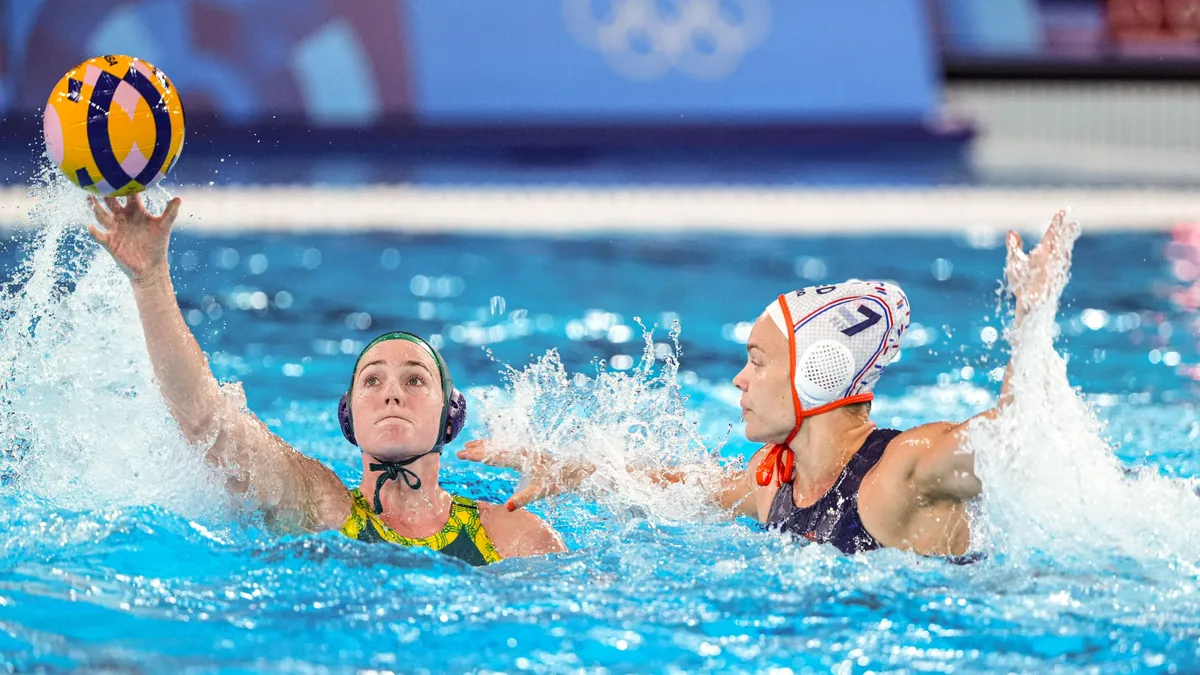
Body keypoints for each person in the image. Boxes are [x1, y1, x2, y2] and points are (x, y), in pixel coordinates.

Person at [459, 212, 1080, 558]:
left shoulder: (904, 470)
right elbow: (684, 488)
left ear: (819, 374)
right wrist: (573, 471)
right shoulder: (775, 480)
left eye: (757, 361)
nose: (739, 379)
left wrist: (1032, 316)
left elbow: (1017, 439)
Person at [87, 194, 564, 565]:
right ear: (349, 416)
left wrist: (581, 472)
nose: (392, 392)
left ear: (451, 417)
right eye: (372, 382)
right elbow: (205, 421)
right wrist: (149, 281)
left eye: (415, 381)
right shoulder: (322, 507)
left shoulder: (512, 534)